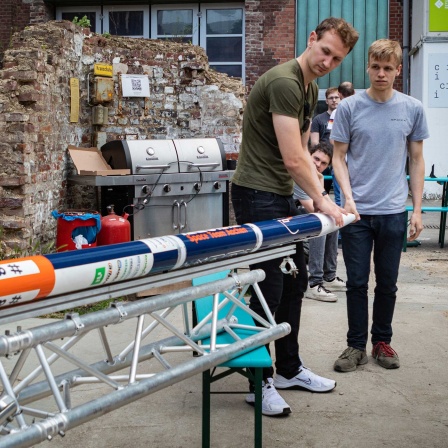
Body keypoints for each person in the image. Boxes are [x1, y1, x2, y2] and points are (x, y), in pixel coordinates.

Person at [231, 17, 359, 416]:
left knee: (293, 282)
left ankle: (287, 368)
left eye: (336, 59)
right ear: (311, 39)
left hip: (281, 193)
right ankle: (260, 380)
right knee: (266, 289)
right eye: (325, 51)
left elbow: (302, 152)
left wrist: (307, 196)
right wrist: (323, 199)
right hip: (257, 193)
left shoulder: (311, 86)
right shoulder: (286, 81)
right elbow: (291, 156)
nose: (327, 62)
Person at [331, 39, 429, 373]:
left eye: (388, 68)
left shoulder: (411, 108)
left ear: (398, 70)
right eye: (376, 67)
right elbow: (338, 157)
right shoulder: (349, 108)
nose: (381, 73)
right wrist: (347, 196)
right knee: (356, 282)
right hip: (357, 213)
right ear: (367, 67)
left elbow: (416, 160)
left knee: (387, 282)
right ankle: (356, 345)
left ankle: (381, 342)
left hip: (392, 212)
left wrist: (416, 209)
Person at [294, 142, 346, 302]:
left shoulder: (316, 177)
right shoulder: (299, 176)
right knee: (320, 223)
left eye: (323, 163)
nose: (318, 164)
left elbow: (326, 202)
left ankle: (329, 276)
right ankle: (314, 283)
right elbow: (314, 209)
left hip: (300, 232)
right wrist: (333, 211)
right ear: (308, 155)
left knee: (333, 221)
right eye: (315, 159)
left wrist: (341, 212)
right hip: (290, 231)